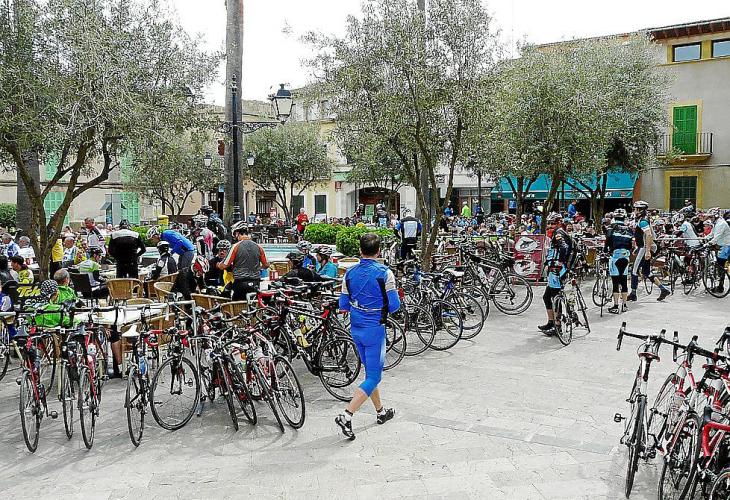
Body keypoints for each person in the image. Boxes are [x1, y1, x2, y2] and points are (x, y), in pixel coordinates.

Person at [336, 233, 400, 440]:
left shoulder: (349, 273)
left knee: (369, 373)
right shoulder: (385, 273)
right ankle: (347, 415)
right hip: (375, 330)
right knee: (374, 376)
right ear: (379, 251)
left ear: (360, 250)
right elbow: (395, 305)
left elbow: (343, 305)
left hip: (356, 328)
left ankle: (380, 412)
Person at [628, 201, 670, 302]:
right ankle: (663, 289)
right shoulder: (642, 220)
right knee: (646, 272)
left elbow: (649, 235)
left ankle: (633, 293)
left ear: (640, 210)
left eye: (635, 209)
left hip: (645, 248)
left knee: (634, 270)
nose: (634, 211)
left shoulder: (643, 221)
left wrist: (647, 251)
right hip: (643, 247)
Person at [218, 221, 269, 300]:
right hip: (255, 282)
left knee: (237, 305)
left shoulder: (235, 246)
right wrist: (257, 268)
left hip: (240, 283)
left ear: (237, 233)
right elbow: (266, 265)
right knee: (254, 304)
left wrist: (218, 265)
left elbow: (224, 265)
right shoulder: (258, 247)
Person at [538, 213, 571, 335]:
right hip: (554, 269)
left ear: (559, 223)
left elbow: (564, 247)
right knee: (547, 297)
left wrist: (560, 262)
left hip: (557, 270)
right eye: (549, 223)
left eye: (553, 223)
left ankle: (557, 326)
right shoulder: (558, 233)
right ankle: (551, 322)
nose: (550, 226)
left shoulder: (558, 233)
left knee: (555, 298)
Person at [146, 226, 196, 299]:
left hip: (188, 250)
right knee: (180, 271)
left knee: (184, 272)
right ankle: (180, 291)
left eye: (152, 239)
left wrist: (171, 252)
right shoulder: (163, 239)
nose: (152, 241)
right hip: (183, 253)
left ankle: (187, 292)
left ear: (155, 236)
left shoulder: (167, 234)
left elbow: (180, 242)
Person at [603, 209, 633, 314]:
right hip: (625, 257)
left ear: (614, 217)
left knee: (615, 282)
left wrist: (605, 249)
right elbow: (630, 244)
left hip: (615, 256)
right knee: (624, 281)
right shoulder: (629, 229)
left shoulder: (611, 227)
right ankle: (624, 305)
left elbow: (608, 239)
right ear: (624, 218)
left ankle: (615, 306)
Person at [707, 208, 730, 294]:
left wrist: (709, 243)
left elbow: (717, 236)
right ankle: (720, 285)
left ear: (716, 216)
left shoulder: (721, 224)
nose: (710, 218)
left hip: (725, 246)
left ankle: (720, 287)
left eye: (711, 217)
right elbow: (712, 234)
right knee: (720, 266)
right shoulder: (717, 223)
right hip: (721, 245)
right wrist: (703, 238)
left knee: (721, 267)